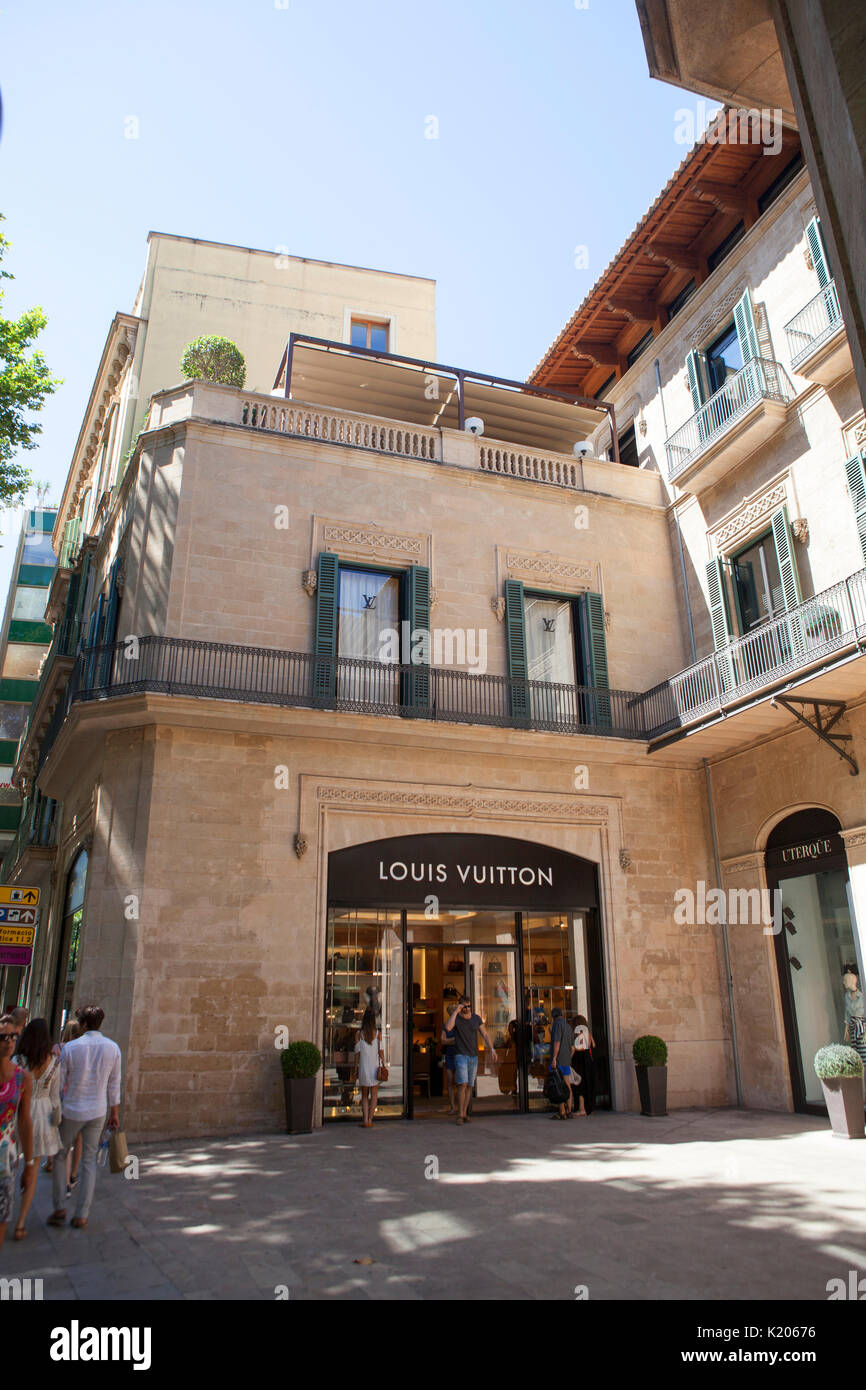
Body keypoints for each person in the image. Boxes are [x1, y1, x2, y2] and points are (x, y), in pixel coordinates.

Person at [48, 1004, 121, 1230]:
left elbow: (59, 1084)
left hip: (71, 1109)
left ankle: (60, 1206)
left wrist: (56, 1107)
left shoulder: (71, 1048)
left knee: (61, 1155)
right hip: (98, 1111)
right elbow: (114, 1083)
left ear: (82, 1023)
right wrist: (114, 1112)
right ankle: (82, 1214)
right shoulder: (113, 1048)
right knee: (89, 1161)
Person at [13, 1018, 61, 1239]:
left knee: (8, 1166)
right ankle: (21, 1222)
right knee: (31, 1169)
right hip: (42, 1116)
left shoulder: (17, 1061)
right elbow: (55, 1098)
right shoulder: (52, 1062)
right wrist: (57, 1119)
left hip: (16, 1114)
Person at [0, 1013, 36, 1251]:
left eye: (14, 1036)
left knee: (2, 1216)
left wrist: (30, 1164)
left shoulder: (22, 1078)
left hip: (6, 1159)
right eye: (4, 1037)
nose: (10, 1041)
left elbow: (24, 1121)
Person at [444, 996, 495, 1125]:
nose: (467, 1009)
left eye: (468, 1006)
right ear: (460, 1006)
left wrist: (492, 1049)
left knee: (469, 1086)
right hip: (460, 1055)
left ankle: (465, 1112)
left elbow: (485, 1034)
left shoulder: (476, 1018)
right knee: (463, 1084)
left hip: (473, 1055)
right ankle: (460, 1114)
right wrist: (456, 1012)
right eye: (464, 1006)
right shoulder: (457, 1019)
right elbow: (448, 1028)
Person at [353, 1006, 384, 1129]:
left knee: (364, 1095)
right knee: (374, 1095)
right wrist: (384, 1063)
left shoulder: (359, 1034)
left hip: (364, 1068)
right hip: (374, 1067)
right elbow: (381, 1051)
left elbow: (357, 1053)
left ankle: (365, 1119)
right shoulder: (378, 1034)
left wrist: (355, 1067)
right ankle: (371, 1119)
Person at [549, 1007, 574, 1119]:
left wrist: (554, 1058)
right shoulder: (568, 1026)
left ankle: (562, 1111)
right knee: (567, 1085)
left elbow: (557, 1042)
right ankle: (569, 1109)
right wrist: (568, 1057)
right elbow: (573, 1047)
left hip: (559, 1060)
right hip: (566, 1060)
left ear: (553, 1016)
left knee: (558, 1084)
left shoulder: (557, 1025)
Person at [571, 1014, 597, 1117]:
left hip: (581, 1062)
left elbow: (584, 1046)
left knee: (580, 1085)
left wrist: (574, 1048)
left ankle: (582, 1109)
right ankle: (586, 1107)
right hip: (587, 1062)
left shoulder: (582, 1034)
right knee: (585, 1084)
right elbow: (593, 1045)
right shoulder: (588, 1033)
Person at [440, 1017, 458, 1114]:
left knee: (458, 1081)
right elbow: (443, 1040)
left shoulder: (459, 1024)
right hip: (449, 1055)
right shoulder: (446, 1026)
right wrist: (453, 1040)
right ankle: (452, 1107)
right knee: (450, 1081)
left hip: (459, 1055)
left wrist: (449, 1040)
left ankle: (461, 1107)